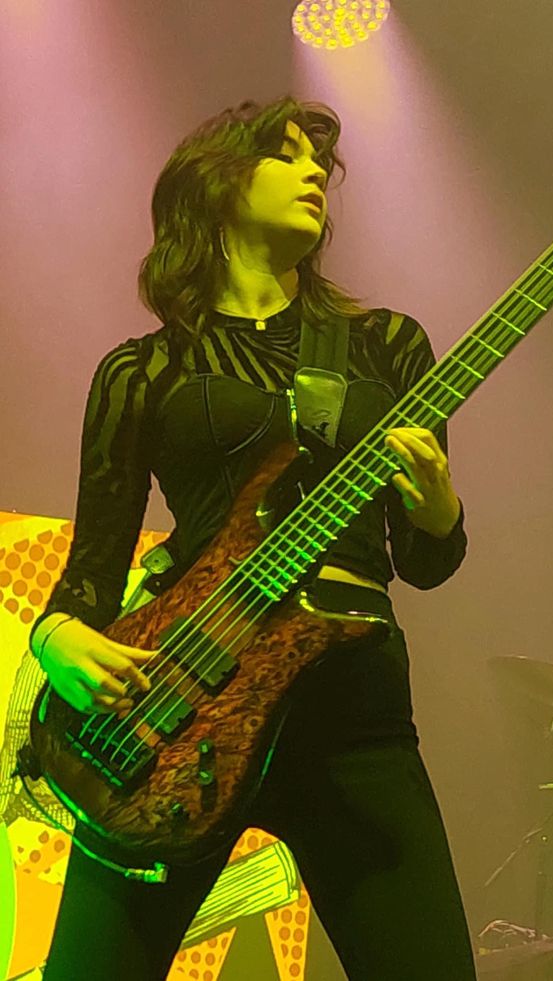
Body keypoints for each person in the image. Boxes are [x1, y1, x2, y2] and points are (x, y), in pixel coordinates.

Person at [29, 96, 476, 980]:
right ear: (219, 185)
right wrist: (58, 638)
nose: (317, 173)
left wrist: (439, 514)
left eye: (323, 164)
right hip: (181, 708)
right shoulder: (144, 369)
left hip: (352, 709)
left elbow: (423, 563)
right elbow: (91, 569)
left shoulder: (387, 346)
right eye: (289, 156)